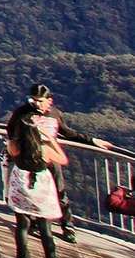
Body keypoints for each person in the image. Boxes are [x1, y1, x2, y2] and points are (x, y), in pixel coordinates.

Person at [7, 83, 117, 242]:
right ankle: (34, 221)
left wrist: (92, 141)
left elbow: (67, 132)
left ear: (49, 101)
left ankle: (67, 226)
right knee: (31, 192)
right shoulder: (22, 113)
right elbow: (11, 133)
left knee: (60, 192)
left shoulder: (54, 114)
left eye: (40, 100)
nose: (36, 103)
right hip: (30, 160)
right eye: (33, 100)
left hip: (50, 159)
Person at [5, 118, 65, 258]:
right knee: (46, 229)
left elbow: (11, 152)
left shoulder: (15, 146)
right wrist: (51, 138)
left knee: (22, 225)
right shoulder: (45, 149)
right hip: (41, 187)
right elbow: (63, 160)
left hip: (21, 185)